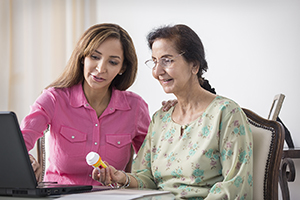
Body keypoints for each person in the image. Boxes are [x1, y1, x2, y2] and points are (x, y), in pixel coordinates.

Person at [92, 24, 253, 200]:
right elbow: (146, 178)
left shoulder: (226, 114)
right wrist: (122, 177)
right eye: (154, 61)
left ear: (194, 65)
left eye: (167, 60)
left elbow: (235, 186)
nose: (157, 71)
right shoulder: (161, 119)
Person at [21, 23, 153, 185]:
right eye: (95, 57)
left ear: (122, 68)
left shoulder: (135, 107)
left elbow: (152, 164)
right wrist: (26, 161)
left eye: (112, 62)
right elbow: (17, 144)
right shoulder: (54, 98)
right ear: (83, 57)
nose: (100, 68)